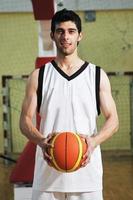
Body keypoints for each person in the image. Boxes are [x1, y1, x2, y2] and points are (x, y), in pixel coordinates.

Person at [19, 9, 119, 200]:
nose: (66, 36)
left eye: (71, 31)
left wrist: (93, 142)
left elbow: (113, 120)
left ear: (80, 35)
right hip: (47, 175)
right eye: (60, 31)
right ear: (52, 35)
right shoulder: (38, 76)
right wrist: (41, 141)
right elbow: (24, 120)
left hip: (87, 176)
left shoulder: (97, 75)